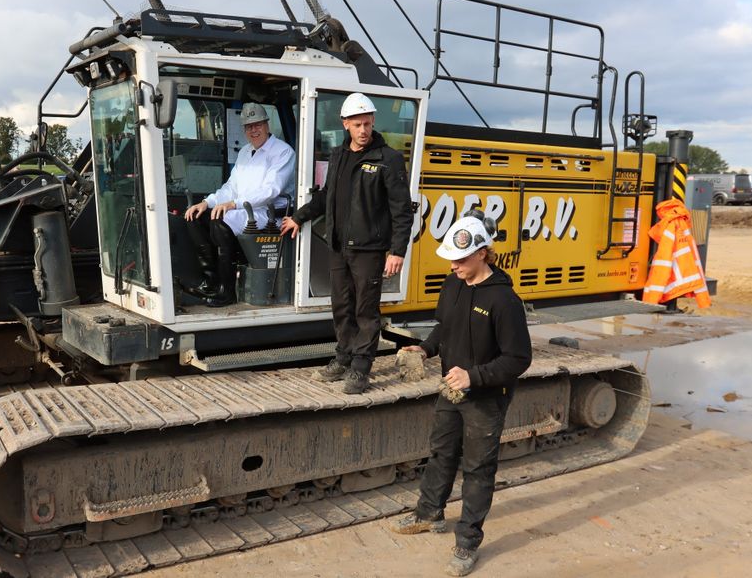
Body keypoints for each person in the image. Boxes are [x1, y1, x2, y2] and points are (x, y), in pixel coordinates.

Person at [388, 210, 532, 576]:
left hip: (486, 397)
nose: (454, 265)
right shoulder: (453, 285)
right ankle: (429, 513)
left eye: (461, 259)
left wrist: (474, 376)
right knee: (441, 452)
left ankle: (467, 542)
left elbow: (518, 358)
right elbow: (444, 330)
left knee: (478, 468)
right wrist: (425, 349)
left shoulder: (504, 301)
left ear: (483, 253)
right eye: (451, 258)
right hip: (451, 391)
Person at [280, 93, 412, 394]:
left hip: (370, 249)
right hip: (338, 246)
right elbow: (327, 196)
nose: (363, 130)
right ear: (345, 125)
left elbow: (401, 210)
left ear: (373, 122)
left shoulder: (388, 159)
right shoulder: (338, 155)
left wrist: (397, 251)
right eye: (357, 124)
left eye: (367, 123)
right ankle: (343, 357)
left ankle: (361, 368)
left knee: (366, 310)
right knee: (341, 306)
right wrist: (300, 217)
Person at [183, 103, 295, 307]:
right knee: (195, 217)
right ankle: (211, 280)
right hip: (244, 210)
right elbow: (230, 187)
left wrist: (233, 204)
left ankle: (227, 290)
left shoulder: (283, 152)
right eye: (248, 126)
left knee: (220, 221)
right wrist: (206, 202)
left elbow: (271, 190)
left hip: (269, 213)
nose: (254, 130)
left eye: (258, 124)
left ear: (266, 124)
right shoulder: (245, 152)